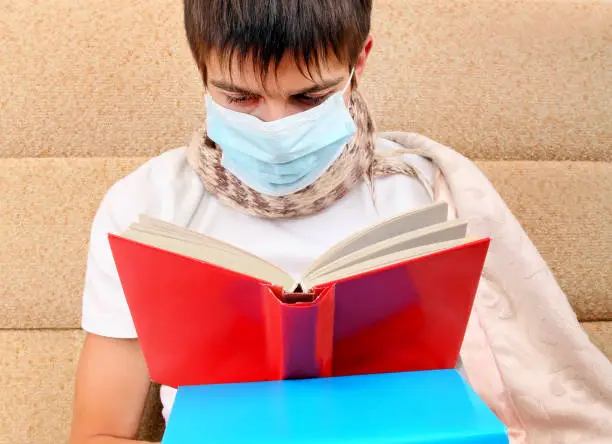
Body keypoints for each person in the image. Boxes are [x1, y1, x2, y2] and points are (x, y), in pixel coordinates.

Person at [69, 1, 612, 443]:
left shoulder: (424, 191)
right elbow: (99, 432)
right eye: (239, 97)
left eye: (311, 96)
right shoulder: (146, 208)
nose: (276, 126)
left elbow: (515, 391)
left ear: (360, 61)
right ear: (199, 68)